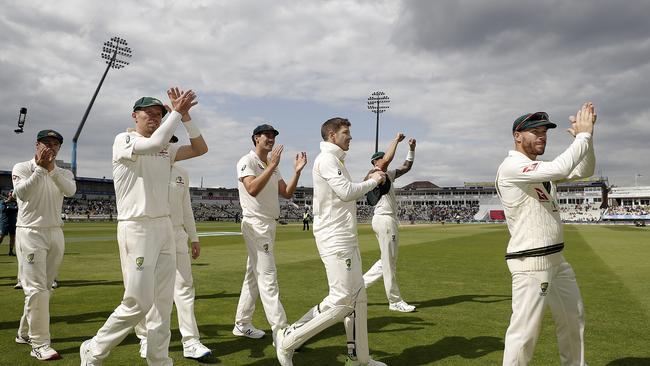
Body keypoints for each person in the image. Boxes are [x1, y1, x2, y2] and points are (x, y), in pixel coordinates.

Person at [80, 88, 208, 366]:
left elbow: (200, 148)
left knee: (163, 303)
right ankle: (94, 348)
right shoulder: (124, 140)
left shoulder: (167, 148)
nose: (154, 117)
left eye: (158, 114)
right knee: (138, 302)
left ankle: (159, 359)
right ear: (134, 116)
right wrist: (174, 112)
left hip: (163, 226)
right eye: (148, 113)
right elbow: (152, 145)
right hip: (136, 227)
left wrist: (185, 116)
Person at [275, 117, 387, 366]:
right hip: (335, 239)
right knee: (342, 301)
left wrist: (367, 179)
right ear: (331, 135)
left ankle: (359, 358)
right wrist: (375, 181)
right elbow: (346, 192)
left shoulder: (336, 161)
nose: (350, 137)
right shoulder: (326, 159)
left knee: (357, 298)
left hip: (346, 237)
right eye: (345, 132)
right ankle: (287, 341)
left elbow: (346, 190)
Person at [496, 103, 596, 366]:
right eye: (535, 132)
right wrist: (582, 137)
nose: (542, 136)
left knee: (574, 319)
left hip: (557, 260)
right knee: (525, 334)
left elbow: (585, 170)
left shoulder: (538, 170)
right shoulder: (512, 166)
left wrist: (587, 139)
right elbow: (560, 169)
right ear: (518, 136)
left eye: (545, 132)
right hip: (531, 262)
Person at [135, 139, 212, 361]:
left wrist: (194, 238)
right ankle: (146, 338)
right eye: (165, 141)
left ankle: (190, 341)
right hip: (152, 231)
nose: (169, 146)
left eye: (172, 143)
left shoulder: (181, 173)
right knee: (148, 288)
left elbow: (186, 208)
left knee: (185, 288)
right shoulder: (143, 166)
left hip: (178, 234)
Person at [233, 124, 307, 340]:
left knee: (253, 277)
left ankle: (242, 323)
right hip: (255, 224)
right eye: (267, 135)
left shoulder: (271, 165)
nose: (271, 139)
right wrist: (271, 166)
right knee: (268, 277)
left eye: (274, 135)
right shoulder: (247, 161)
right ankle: (281, 331)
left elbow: (286, 192)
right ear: (256, 138)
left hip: (269, 224)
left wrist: (297, 172)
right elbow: (252, 189)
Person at [12, 129, 76, 360]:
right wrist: (40, 168)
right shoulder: (22, 168)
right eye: (46, 143)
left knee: (44, 290)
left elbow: (70, 191)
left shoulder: (63, 172)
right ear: (37, 144)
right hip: (30, 233)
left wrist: (52, 170)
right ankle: (39, 344)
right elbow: (22, 193)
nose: (51, 147)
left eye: (55, 144)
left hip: (55, 233)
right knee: (36, 289)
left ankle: (24, 332)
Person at [362, 133, 417, 313]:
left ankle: (356, 287)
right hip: (384, 218)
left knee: (386, 260)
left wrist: (411, 149)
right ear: (374, 162)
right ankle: (394, 301)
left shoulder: (387, 174)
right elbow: (386, 160)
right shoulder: (373, 174)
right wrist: (395, 140)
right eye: (378, 159)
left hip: (388, 219)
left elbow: (406, 167)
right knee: (389, 262)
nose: (381, 161)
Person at [1, 190, 18, 256]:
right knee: (1, 236)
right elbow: (3, 210)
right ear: (8, 194)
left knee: (12, 236)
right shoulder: (3, 201)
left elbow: (17, 209)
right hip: (5, 222)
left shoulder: (16, 202)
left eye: (12, 192)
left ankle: (10, 251)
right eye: (10, 192)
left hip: (13, 222)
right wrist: (7, 201)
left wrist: (14, 204)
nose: (11, 193)